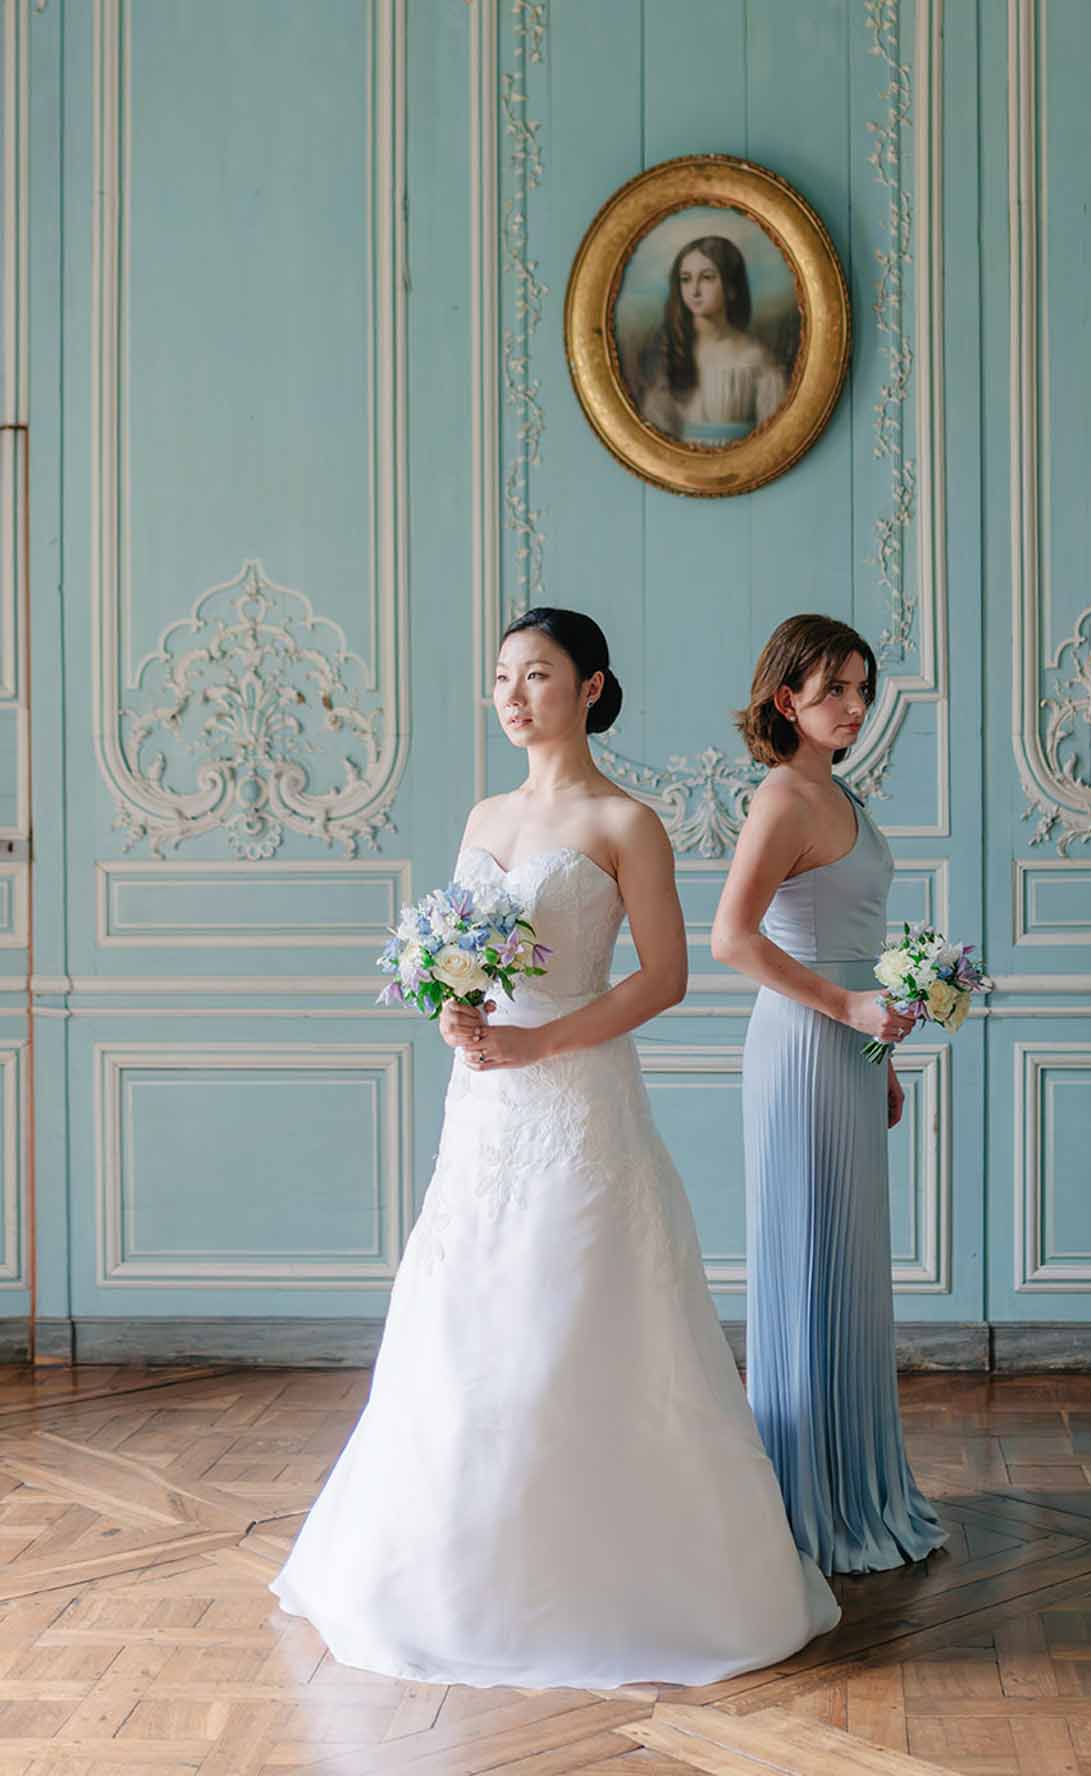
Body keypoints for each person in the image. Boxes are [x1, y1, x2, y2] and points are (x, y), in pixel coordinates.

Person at [268, 606, 839, 1687]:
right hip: (481, 1099)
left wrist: (540, 1040)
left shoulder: (627, 821)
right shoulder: (485, 813)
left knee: (579, 1307)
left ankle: (617, 1580)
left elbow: (664, 976)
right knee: (462, 1313)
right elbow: (457, 958)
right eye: (500, 677)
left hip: (576, 1091)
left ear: (592, 687)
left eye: (537, 674)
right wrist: (453, 1011)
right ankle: (437, 1573)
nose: (513, 694)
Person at [710, 613, 948, 1575]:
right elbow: (731, 937)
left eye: (861, 688)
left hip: (849, 1053)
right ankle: (811, 1501)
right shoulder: (783, 798)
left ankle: (859, 1485)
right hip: (804, 1050)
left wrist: (879, 1055)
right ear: (786, 699)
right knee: (809, 1266)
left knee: (850, 1271)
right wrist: (850, 1008)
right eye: (834, 689)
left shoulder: (836, 791)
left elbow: (855, 938)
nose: (854, 706)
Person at [636, 236, 788, 445]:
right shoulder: (668, 352)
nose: (694, 291)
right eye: (686, 279)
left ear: (731, 287)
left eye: (707, 278)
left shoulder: (756, 358)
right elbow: (655, 432)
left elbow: (775, 438)